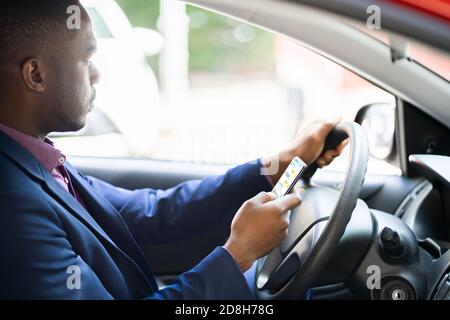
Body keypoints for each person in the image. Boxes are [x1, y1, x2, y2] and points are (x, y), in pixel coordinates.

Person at [0, 0, 348, 299]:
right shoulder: (13, 207)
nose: (96, 74)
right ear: (36, 75)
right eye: (84, 59)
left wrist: (276, 165)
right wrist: (237, 255)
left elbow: (152, 211)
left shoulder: (36, 159)